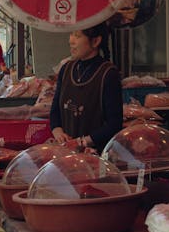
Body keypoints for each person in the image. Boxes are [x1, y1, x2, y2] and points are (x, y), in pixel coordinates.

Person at [49, 23, 123, 152]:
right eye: (71, 34)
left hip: (96, 156)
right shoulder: (66, 69)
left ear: (95, 41)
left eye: (77, 36)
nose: (70, 40)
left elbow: (114, 124)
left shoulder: (108, 74)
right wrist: (58, 133)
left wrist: (82, 142)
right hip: (66, 153)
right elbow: (55, 110)